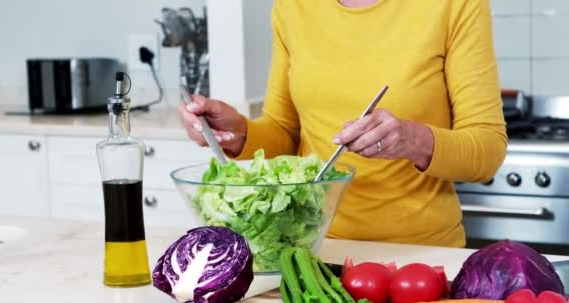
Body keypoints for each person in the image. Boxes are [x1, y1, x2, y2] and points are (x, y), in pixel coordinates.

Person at [177, 0, 507, 247]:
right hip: (314, 250)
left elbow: (488, 150)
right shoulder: (293, 7)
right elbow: (285, 131)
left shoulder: (455, 5)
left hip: (421, 258)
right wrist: (238, 133)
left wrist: (413, 140)